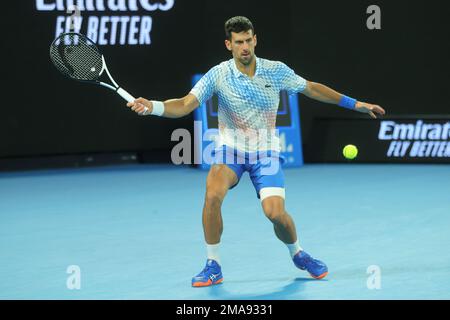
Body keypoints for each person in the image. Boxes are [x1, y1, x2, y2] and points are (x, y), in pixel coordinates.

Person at [126, 16, 385, 287]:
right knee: (212, 194)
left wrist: (355, 104)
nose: (245, 47)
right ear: (229, 45)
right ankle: (213, 265)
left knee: (275, 214)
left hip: (266, 153)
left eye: (249, 40)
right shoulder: (218, 74)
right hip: (231, 150)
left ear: (255, 39)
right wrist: (153, 106)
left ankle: (297, 253)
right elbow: (185, 104)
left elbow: (312, 89)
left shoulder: (276, 70)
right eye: (239, 42)